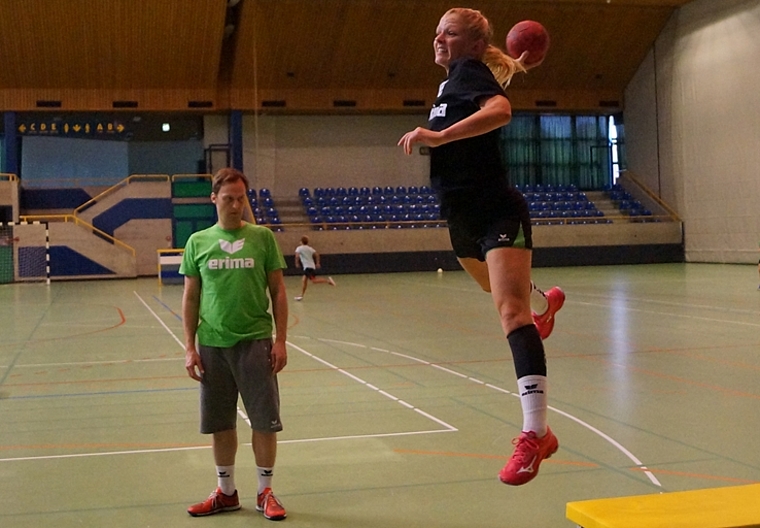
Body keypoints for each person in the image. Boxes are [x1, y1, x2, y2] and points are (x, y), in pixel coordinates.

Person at [398, 7, 563, 486]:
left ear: (471, 44)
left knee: (510, 315)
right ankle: (543, 304)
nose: (437, 38)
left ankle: (537, 434)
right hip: (461, 222)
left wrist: (440, 135)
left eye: (447, 33)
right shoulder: (453, 82)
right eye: (436, 31)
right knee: (506, 300)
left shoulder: (468, 72)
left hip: (495, 210)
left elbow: (502, 110)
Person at [180, 168, 288, 520]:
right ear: (214, 199)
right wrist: (189, 346)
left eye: (241, 198)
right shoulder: (197, 241)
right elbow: (191, 297)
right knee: (220, 424)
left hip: (255, 343)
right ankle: (226, 493)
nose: (236, 205)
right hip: (212, 345)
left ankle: (265, 492)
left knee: (263, 422)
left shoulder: (263, 238)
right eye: (229, 198)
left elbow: (278, 291)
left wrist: (281, 340)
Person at [293, 235, 336, 301]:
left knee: (314, 281)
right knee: (304, 280)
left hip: (308, 267)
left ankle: (328, 281)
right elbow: (317, 254)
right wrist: (317, 263)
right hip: (311, 266)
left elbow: (297, 256)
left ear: (301, 242)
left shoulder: (299, 248)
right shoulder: (310, 248)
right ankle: (301, 296)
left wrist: (296, 263)